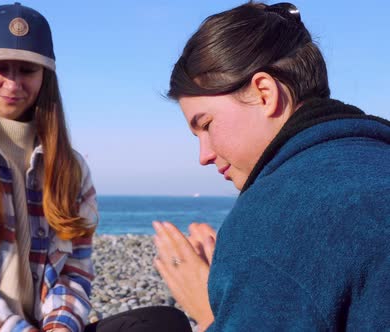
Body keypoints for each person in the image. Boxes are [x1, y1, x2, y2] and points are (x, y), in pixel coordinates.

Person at [0, 3, 192, 332]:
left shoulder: (72, 168)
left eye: (27, 70)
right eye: (0, 67)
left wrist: (59, 327)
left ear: (45, 76)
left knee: (164, 323)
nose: (13, 84)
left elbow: (74, 273)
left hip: (39, 327)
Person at [153, 1, 390, 331]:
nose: (203, 155)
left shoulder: (275, 217)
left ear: (265, 94)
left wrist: (210, 315)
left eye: (206, 125)